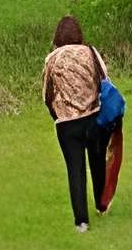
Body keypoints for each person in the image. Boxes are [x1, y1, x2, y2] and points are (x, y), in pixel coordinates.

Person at [39, 15, 116, 230]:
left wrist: (58, 115)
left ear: (57, 36)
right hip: (94, 117)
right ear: (78, 34)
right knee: (97, 162)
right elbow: (105, 80)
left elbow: (47, 93)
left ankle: (81, 222)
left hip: (66, 123)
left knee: (76, 170)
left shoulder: (51, 59)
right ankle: (101, 205)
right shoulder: (90, 52)